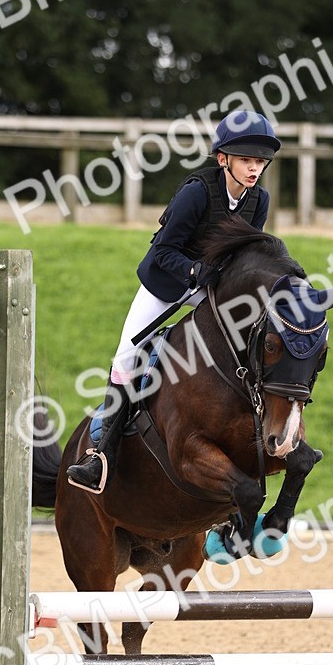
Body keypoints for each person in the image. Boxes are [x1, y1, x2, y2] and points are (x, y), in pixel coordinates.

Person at [66, 109, 281, 493]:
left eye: (260, 162)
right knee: (126, 356)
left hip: (210, 287)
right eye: (246, 160)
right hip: (166, 283)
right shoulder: (197, 192)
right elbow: (164, 251)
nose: (254, 169)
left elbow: (248, 254)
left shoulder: (258, 200)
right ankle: (101, 456)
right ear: (223, 160)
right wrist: (196, 272)